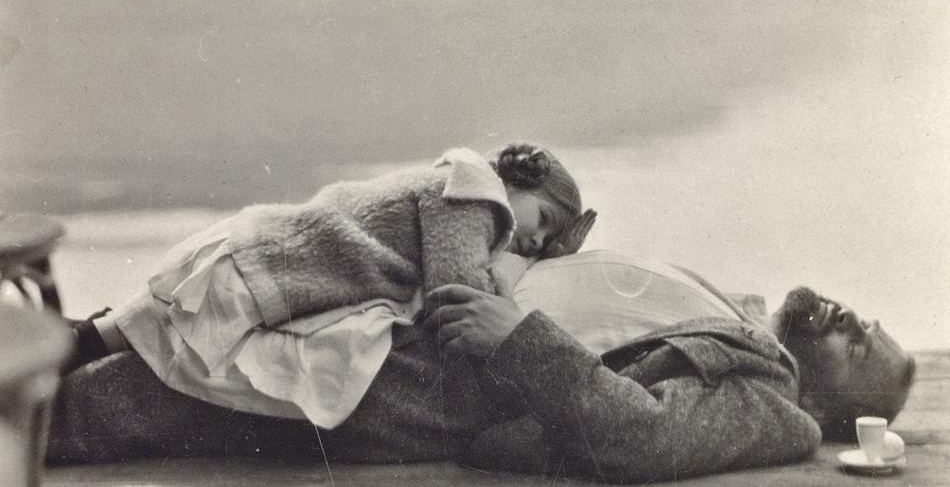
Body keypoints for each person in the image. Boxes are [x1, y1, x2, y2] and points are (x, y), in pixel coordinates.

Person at [47, 249, 915, 483]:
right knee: (156, 338)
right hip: (410, 326)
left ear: (846, 415)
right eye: (866, 319)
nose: (852, 320)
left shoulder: (773, 408)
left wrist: (518, 334)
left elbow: (641, 439)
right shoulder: (744, 320)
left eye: (862, 346)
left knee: (122, 403)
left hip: (404, 385)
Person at [65, 143, 589, 428]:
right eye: (541, 218)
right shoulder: (475, 203)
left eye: (544, 245)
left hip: (265, 249)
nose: (534, 239)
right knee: (158, 340)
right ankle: (62, 353)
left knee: (145, 330)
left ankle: (69, 344)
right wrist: (512, 304)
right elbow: (457, 293)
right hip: (266, 264)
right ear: (518, 182)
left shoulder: (463, 192)